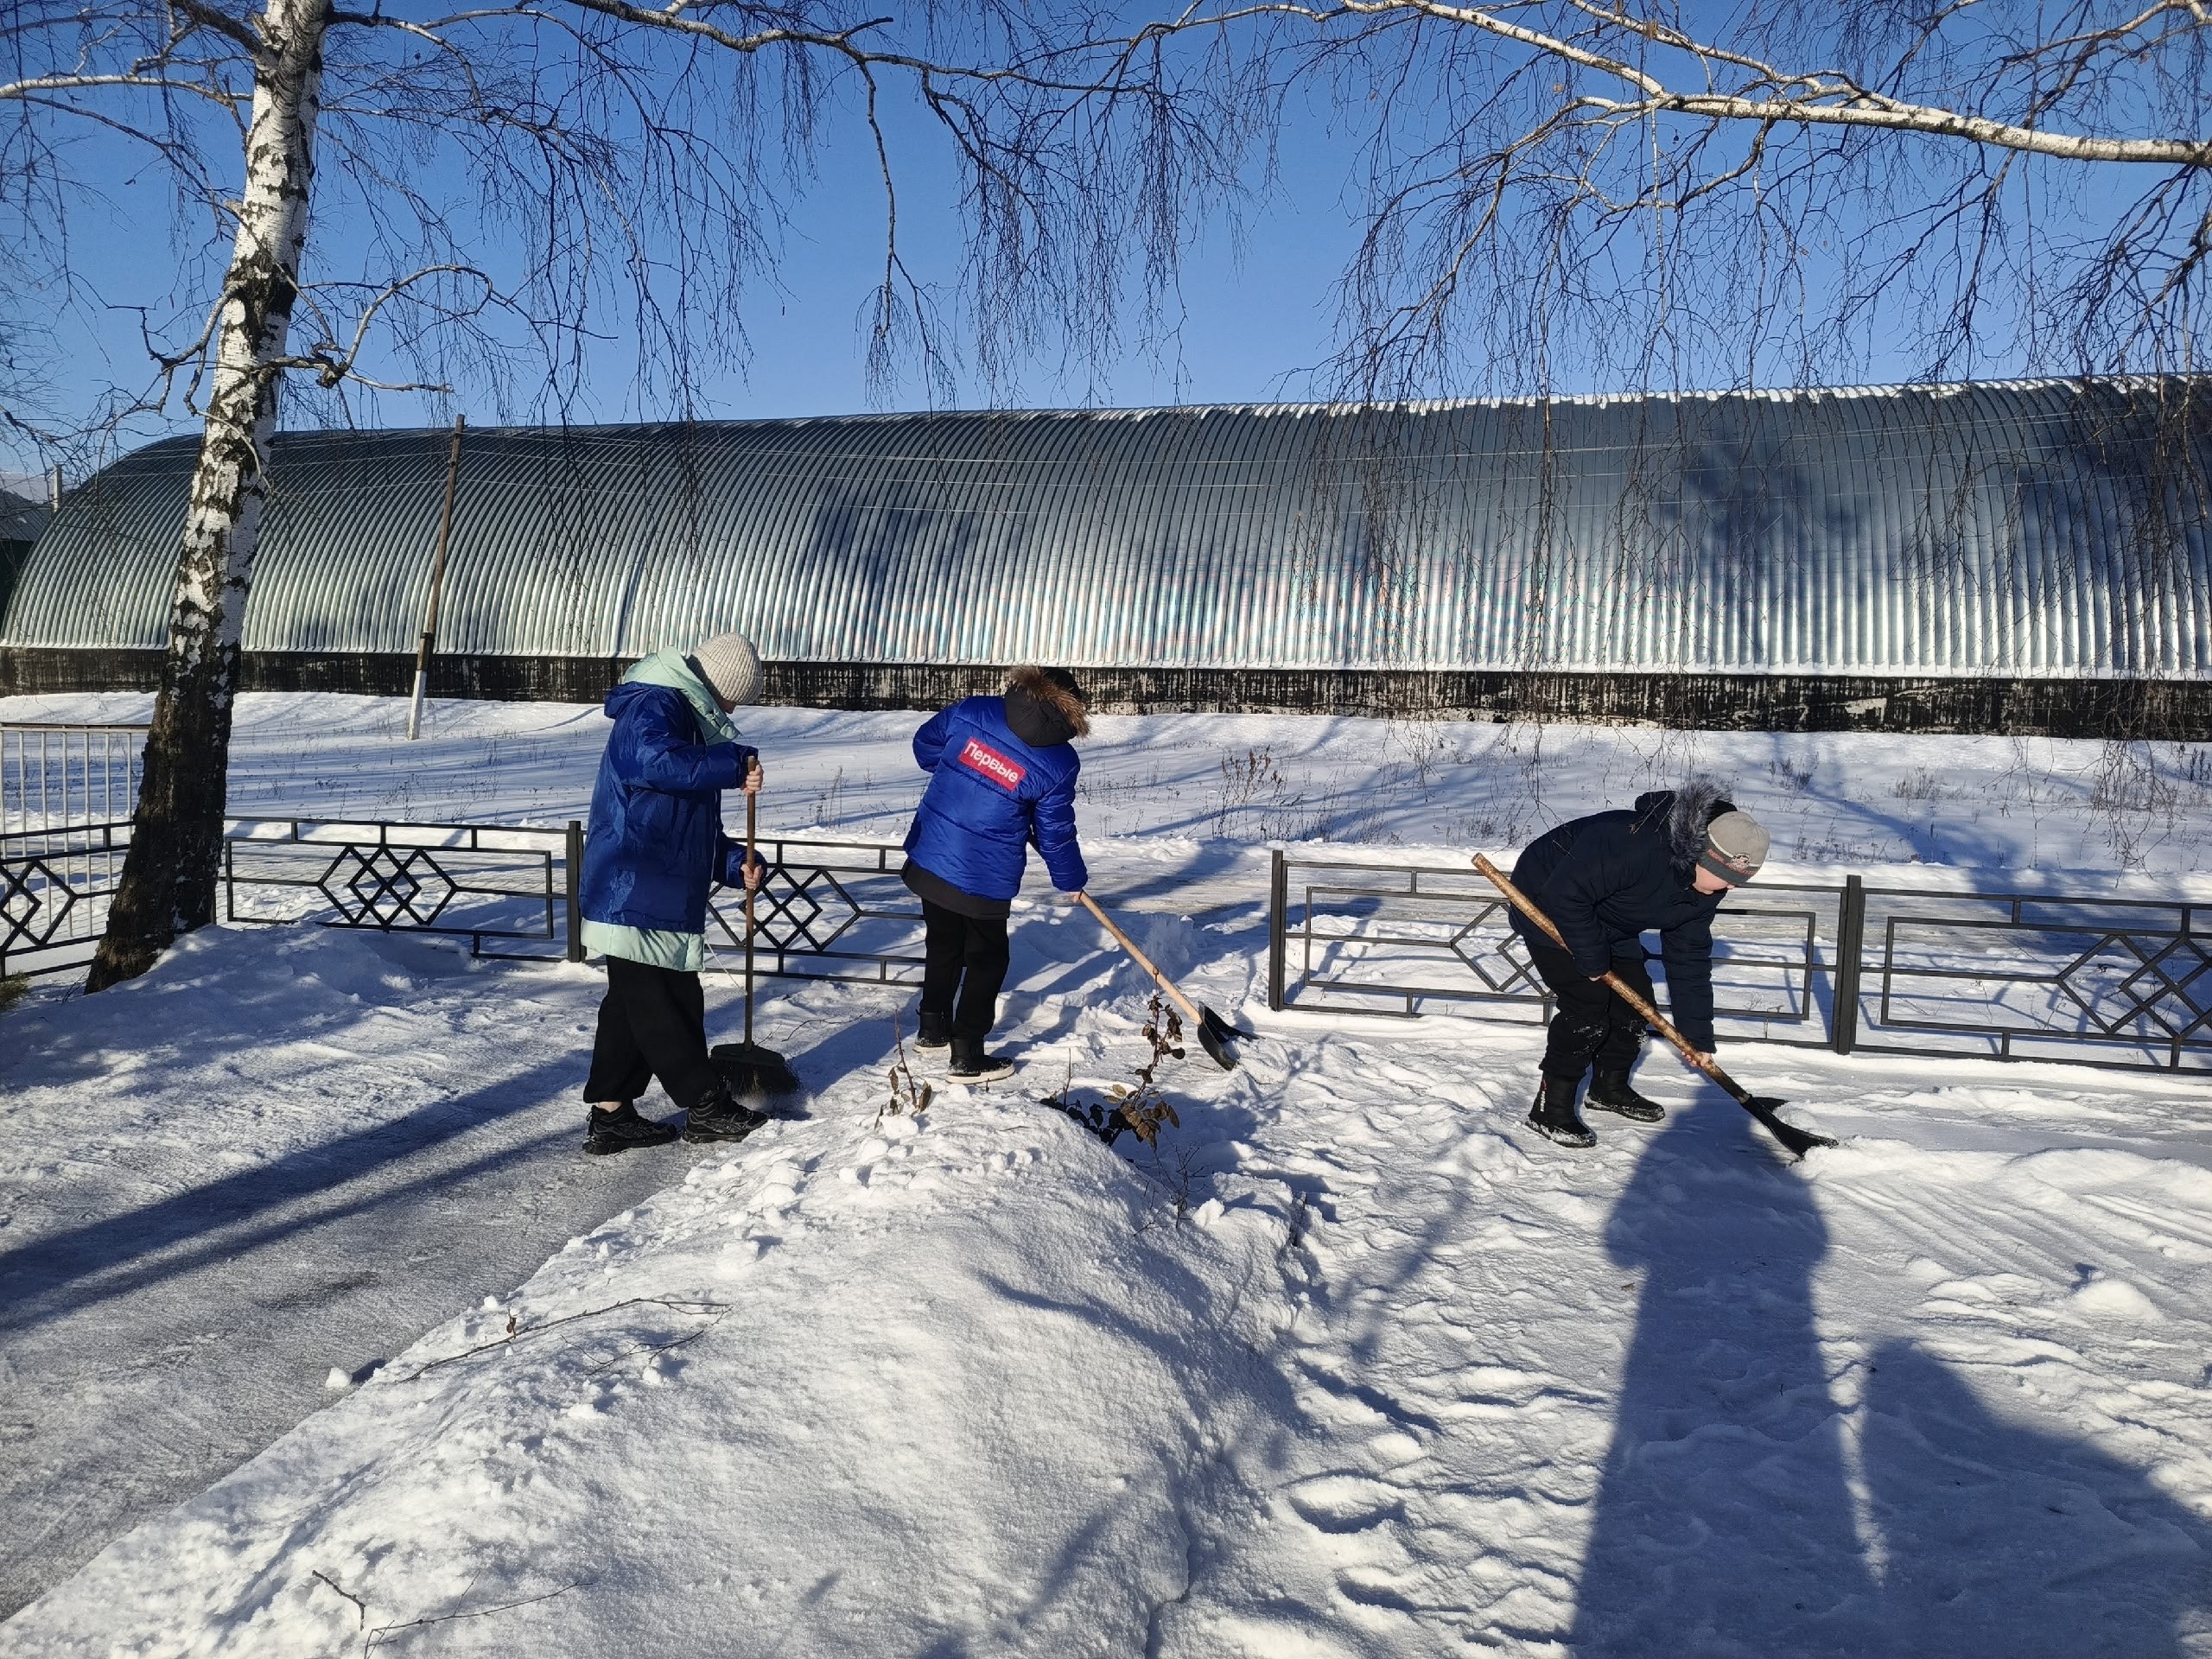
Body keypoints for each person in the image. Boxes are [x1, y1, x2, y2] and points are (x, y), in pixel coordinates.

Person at [576, 631, 772, 1155]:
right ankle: (704, 1104)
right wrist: (732, 764)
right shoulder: (656, 704)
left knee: (632, 1005)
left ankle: (611, 1114)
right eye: (733, 699)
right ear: (718, 686)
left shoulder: (684, 717)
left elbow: (686, 823)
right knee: (664, 1002)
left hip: (651, 883)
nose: (732, 709)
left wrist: (736, 864)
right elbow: (650, 762)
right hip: (633, 880)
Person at [1507, 782, 1770, 1148]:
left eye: (1741, 881)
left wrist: (1696, 1037)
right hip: (1548, 900)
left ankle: (1608, 1088)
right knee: (1587, 1007)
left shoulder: (1706, 891)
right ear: (1702, 856)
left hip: (1611, 915)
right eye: (1729, 877)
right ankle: (1550, 1109)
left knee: (1635, 1004)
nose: (1733, 888)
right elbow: (1565, 895)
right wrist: (1591, 958)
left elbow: (1689, 959)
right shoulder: (1633, 845)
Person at [899, 665, 1091, 1082]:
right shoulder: (1059, 760)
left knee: (944, 943)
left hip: (933, 850)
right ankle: (966, 1053)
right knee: (988, 960)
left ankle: (932, 1029)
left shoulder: (974, 710)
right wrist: (1070, 878)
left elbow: (924, 745)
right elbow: (1054, 830)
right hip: (984, 871)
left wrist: (959, 771)